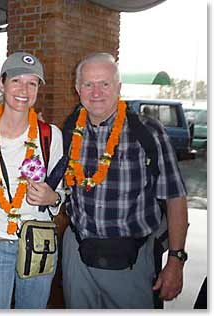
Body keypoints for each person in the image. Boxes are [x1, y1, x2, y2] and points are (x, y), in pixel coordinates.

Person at [62, 52, 188, 309]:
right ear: (78, 89)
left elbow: (175, 198)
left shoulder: (148, 132)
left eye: (104, 84)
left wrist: (175, 260)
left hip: (131, 261)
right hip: (77, 254)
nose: (96, 92)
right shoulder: (68, 130)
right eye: (88, 84)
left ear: (118, 87)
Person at [0, 52, 65, 308]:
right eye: (16, 81)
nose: (24, 89)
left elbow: (60, 195)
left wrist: (51, 197)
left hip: (38, 241)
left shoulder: (50, 135)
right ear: (2, 83)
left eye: (32, 83)